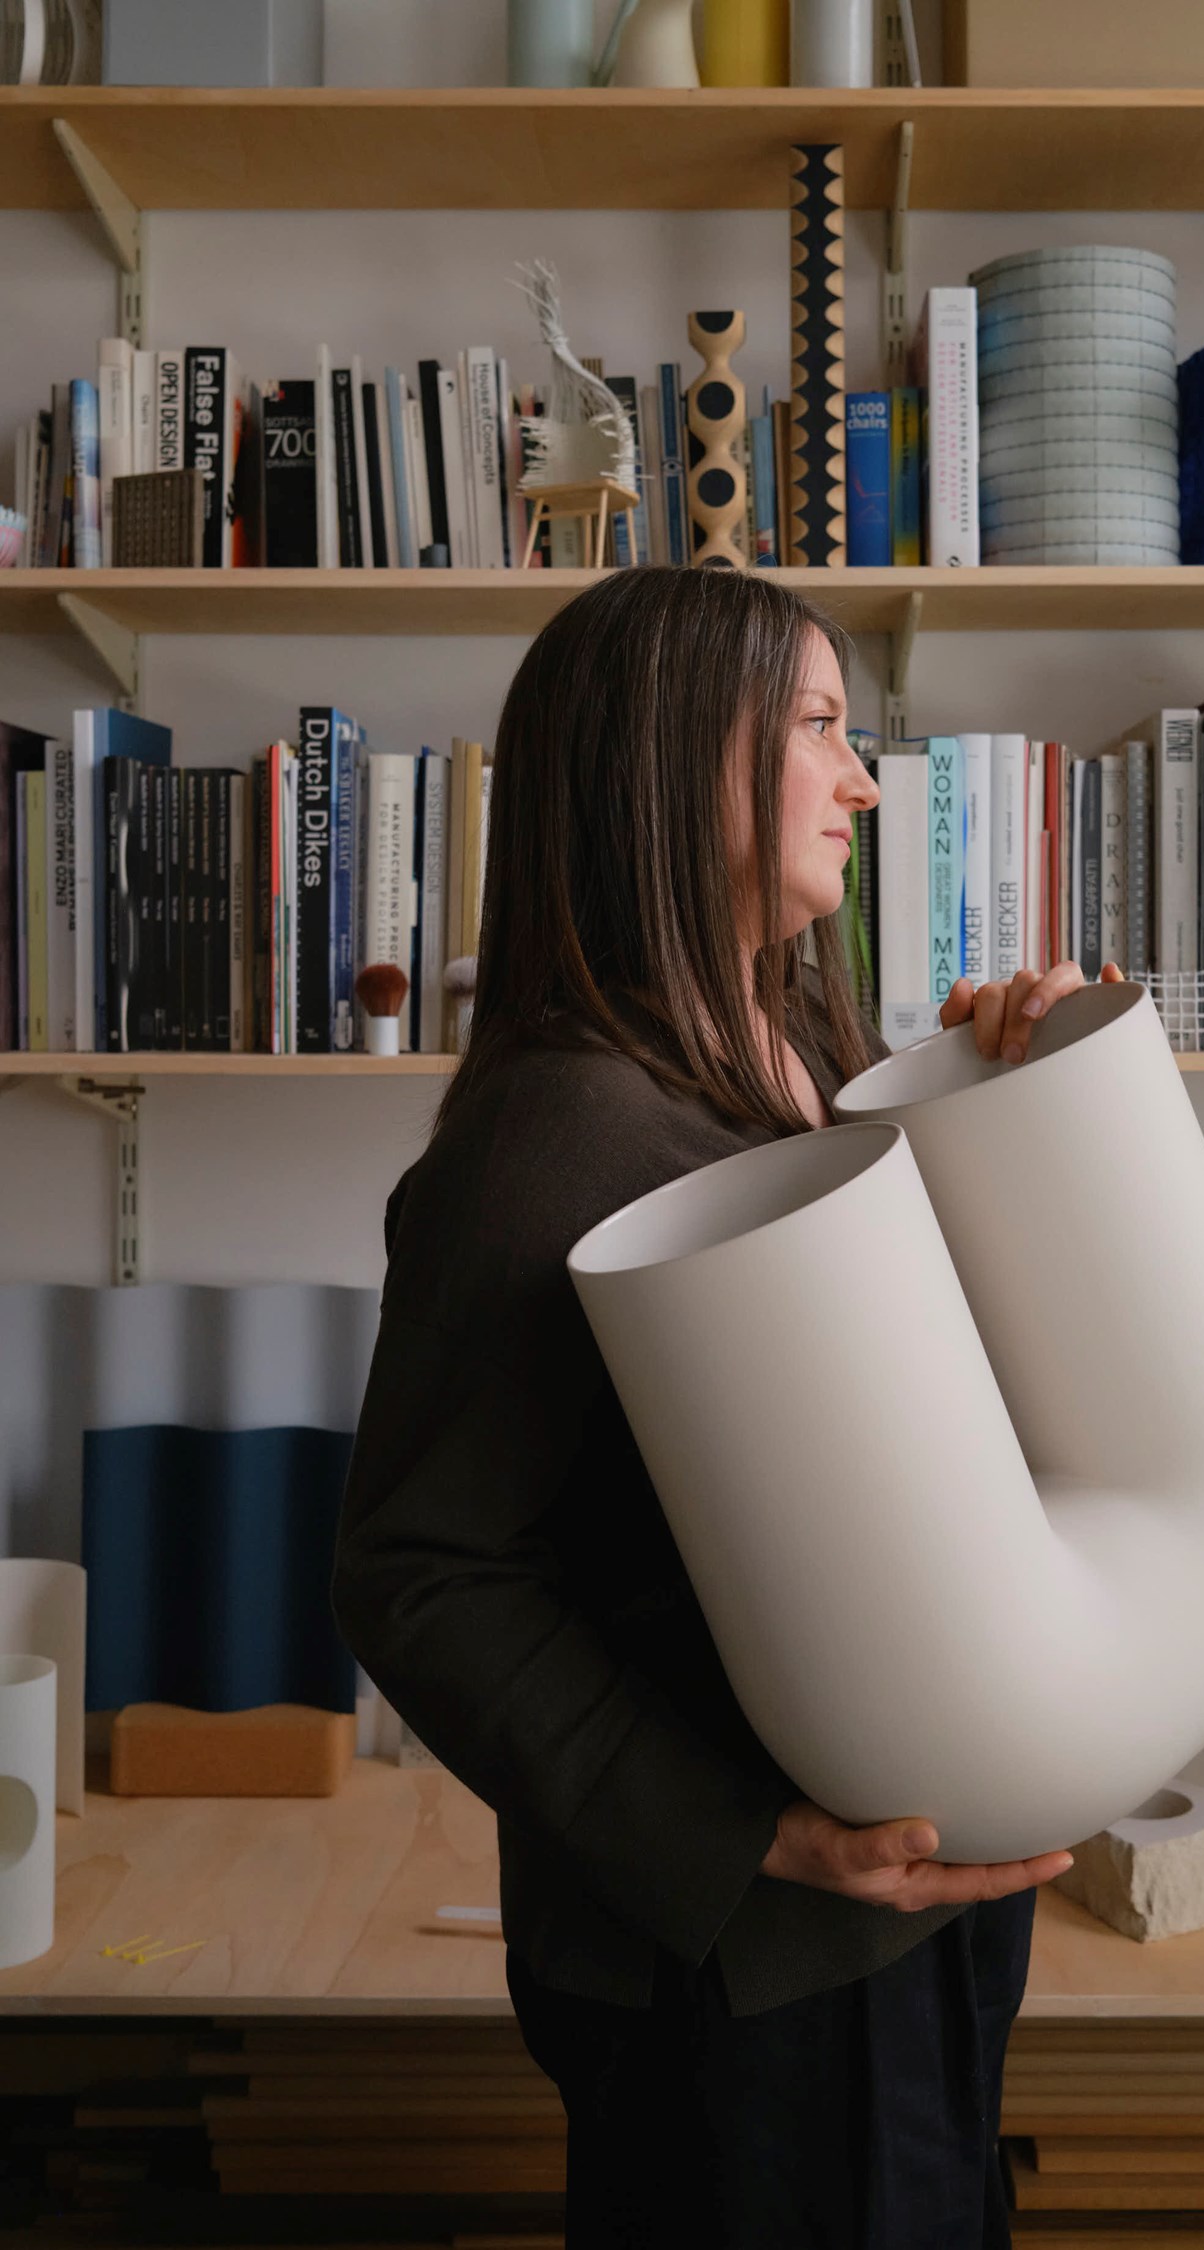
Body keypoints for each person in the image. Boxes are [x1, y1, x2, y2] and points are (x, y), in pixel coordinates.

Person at [329, 565, 1125, 2249]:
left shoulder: (797, 1057)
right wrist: (741, 1839)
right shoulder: (548, 1140)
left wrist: (1017, 1095)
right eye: (826, 728)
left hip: (907, 1925)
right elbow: (418, 1571)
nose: (862, 777)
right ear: (677, 761)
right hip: (747, 1971)